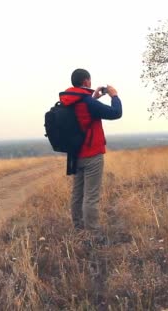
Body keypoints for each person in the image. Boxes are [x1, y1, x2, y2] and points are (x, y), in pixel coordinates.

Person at [59, 68, 122, 232]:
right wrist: (114, 95)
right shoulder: (87, 102)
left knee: (77, 194)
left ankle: (78, 228)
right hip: (92, 154)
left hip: (75, 154)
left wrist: (94, 98)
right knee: (91, 196)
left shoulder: (69, 100)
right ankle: (93, 234)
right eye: (90, 80)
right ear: (86, 81)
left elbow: (83, 115)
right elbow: (116, 113)